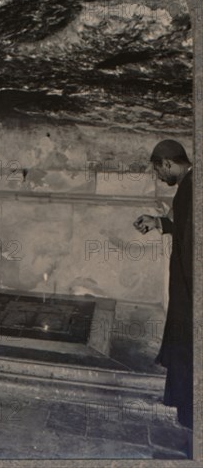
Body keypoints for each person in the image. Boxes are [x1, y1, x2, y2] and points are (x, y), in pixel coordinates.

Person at [133, 140, 193, 453]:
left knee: (186, 346)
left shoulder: (192, 188)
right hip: (187, 287)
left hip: (191, 288)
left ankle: (190, 416)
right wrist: (158, 223)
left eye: (158, 170)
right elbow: (186, 229)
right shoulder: (190, 186)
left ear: (167, 164)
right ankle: (185, 410)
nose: (159, 177)